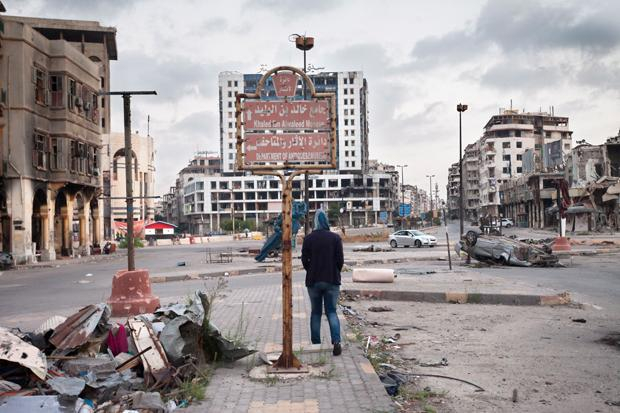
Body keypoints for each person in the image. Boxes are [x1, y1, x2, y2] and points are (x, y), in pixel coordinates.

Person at [301, 209, 344, 356]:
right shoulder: (335, 238)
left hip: (313, 281)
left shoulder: (308, 239)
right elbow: (340, 261)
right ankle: (336, 341)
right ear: (326, 221)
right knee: (331, 311)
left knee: (316, 313)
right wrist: (335, 271)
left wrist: (311, 269)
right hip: (332, 279)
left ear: (314, 222)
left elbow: (304, 261)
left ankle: (316, 344)